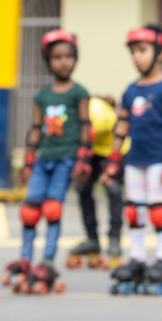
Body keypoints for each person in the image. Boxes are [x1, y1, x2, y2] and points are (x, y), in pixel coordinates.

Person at [5, 30, 90, 294]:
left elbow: (86, 126)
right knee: (30, 210)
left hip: (66, 159)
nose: (63, 62)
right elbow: (35, 129)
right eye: (57, 57)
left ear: (76, 59)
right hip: (44, 160)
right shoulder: (41, 96)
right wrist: (28, 162)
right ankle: (26, 258)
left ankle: (48, 261)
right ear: (48, 61)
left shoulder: (79, 93)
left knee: (52, 209)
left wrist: (83, 158)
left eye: (68, 56)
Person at [102, 25, 162, 295]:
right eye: (133, 52)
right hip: (134, 160)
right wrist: (114, 159)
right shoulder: (130, 91)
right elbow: (122, 127)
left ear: (160, 53)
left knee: (158, 211)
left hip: (159, 160)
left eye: (143, 50)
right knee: (134, 212)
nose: (137, 57)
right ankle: (137, 259)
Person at [67, 96, 124, 268]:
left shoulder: (105, 117)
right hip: (91, 150)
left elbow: (117, 135)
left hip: (112, 149)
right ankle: (92, 238)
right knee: (82, 188)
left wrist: (112, 165)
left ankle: (114, 239)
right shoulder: (75, 112)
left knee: (113, 190)